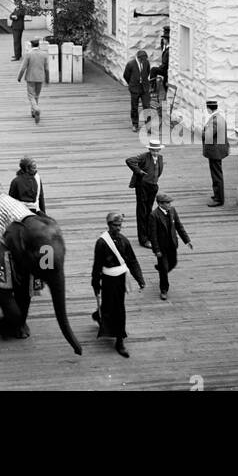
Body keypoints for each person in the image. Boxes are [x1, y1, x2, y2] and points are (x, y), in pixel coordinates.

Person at [91, 212, 144, 357]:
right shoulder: (102, 243)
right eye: (115, 225)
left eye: (120, 225)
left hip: (120, 279)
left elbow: (132, 261)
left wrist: (140, 278)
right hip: (107, 280)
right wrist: (95, 283)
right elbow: (97, 265)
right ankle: (98, 315)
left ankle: (120, 341)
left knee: (119, 309)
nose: (118, 228)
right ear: (109, 225)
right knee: (109, 304)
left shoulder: (124, 241)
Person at [149, 193, 192, 300]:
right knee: (164, 268)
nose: (169, 204)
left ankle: (161, 269)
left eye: (169, 202)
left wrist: (187, 240)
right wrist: (156, 250)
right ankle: (164, 289)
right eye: (167, 203)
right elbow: (153, 235)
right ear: (160, 204)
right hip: (161, 247)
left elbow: (179, 226)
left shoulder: (172, 211)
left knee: (173, 263)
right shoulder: (154, 215)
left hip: (172, 244)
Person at [125, 138, 165, 248]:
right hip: (143, 186)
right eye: (153, 150)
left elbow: (159, 171)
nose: (155, 152)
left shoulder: (160, 158)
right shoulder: (144, 156)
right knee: (142, 212)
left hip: (153, 186)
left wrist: (154, 180)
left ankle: (149, 235)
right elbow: (129, 160)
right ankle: (143, 239)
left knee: (149, 211)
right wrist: (139, 172)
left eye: (157, 150)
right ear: (150, 150)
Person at [202, 99, 229, 206]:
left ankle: (219, 199)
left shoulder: (214, 120)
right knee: (216, 174)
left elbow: (207, 136)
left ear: (208, 109)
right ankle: (217, 194)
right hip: (218, 150)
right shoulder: (220, 117)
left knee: (216, 175)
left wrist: (199, 130)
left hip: (215, 152)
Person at [122, 49, 154, 133]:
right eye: (142, 60)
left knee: (146, 106)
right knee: (134, 107)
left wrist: (144, 81)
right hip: (134, 88)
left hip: (144, 88)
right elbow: (126, 75)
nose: (144, 61)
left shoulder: (146, 62)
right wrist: (132, 84)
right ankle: (135, 124)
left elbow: (147, 72)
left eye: (145, 60)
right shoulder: (130, 64)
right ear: (138, 58)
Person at [18, 37, 48, 123]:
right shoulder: (44, 54)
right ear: (39, 44)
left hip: (30, 78)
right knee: (36, 95)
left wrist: (19, 77)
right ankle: (33, 112)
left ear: (31, 45)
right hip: (40, 78)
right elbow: (46, 68)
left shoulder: (29, 54)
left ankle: (36, 108)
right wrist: (47, 79)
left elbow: (23, 68)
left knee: (31, 95)